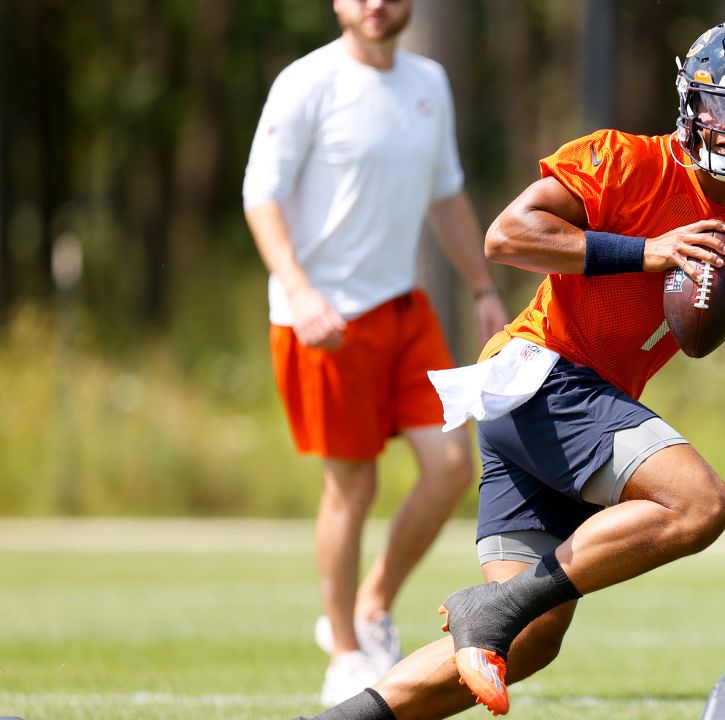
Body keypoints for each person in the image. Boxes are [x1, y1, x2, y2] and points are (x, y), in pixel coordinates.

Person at [296, 18, 725, 720]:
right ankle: (495, 608)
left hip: (574, 413)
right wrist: (648, 251)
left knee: (531, 640)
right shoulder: (622, 160)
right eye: (720, 103)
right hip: (538, 374)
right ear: (691, 101)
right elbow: (506, 235)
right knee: (699, 503)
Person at [243, 0, 508, 705]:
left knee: (453, 464)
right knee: (352, 487)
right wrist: (298, 293)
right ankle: (346, 653)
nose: (376, 4)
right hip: (323, 317)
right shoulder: (307, 82)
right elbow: (260, 195)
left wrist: (482, 286)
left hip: (404, 306)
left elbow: (446, 195)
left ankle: (369, 605)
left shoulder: (429, 82)